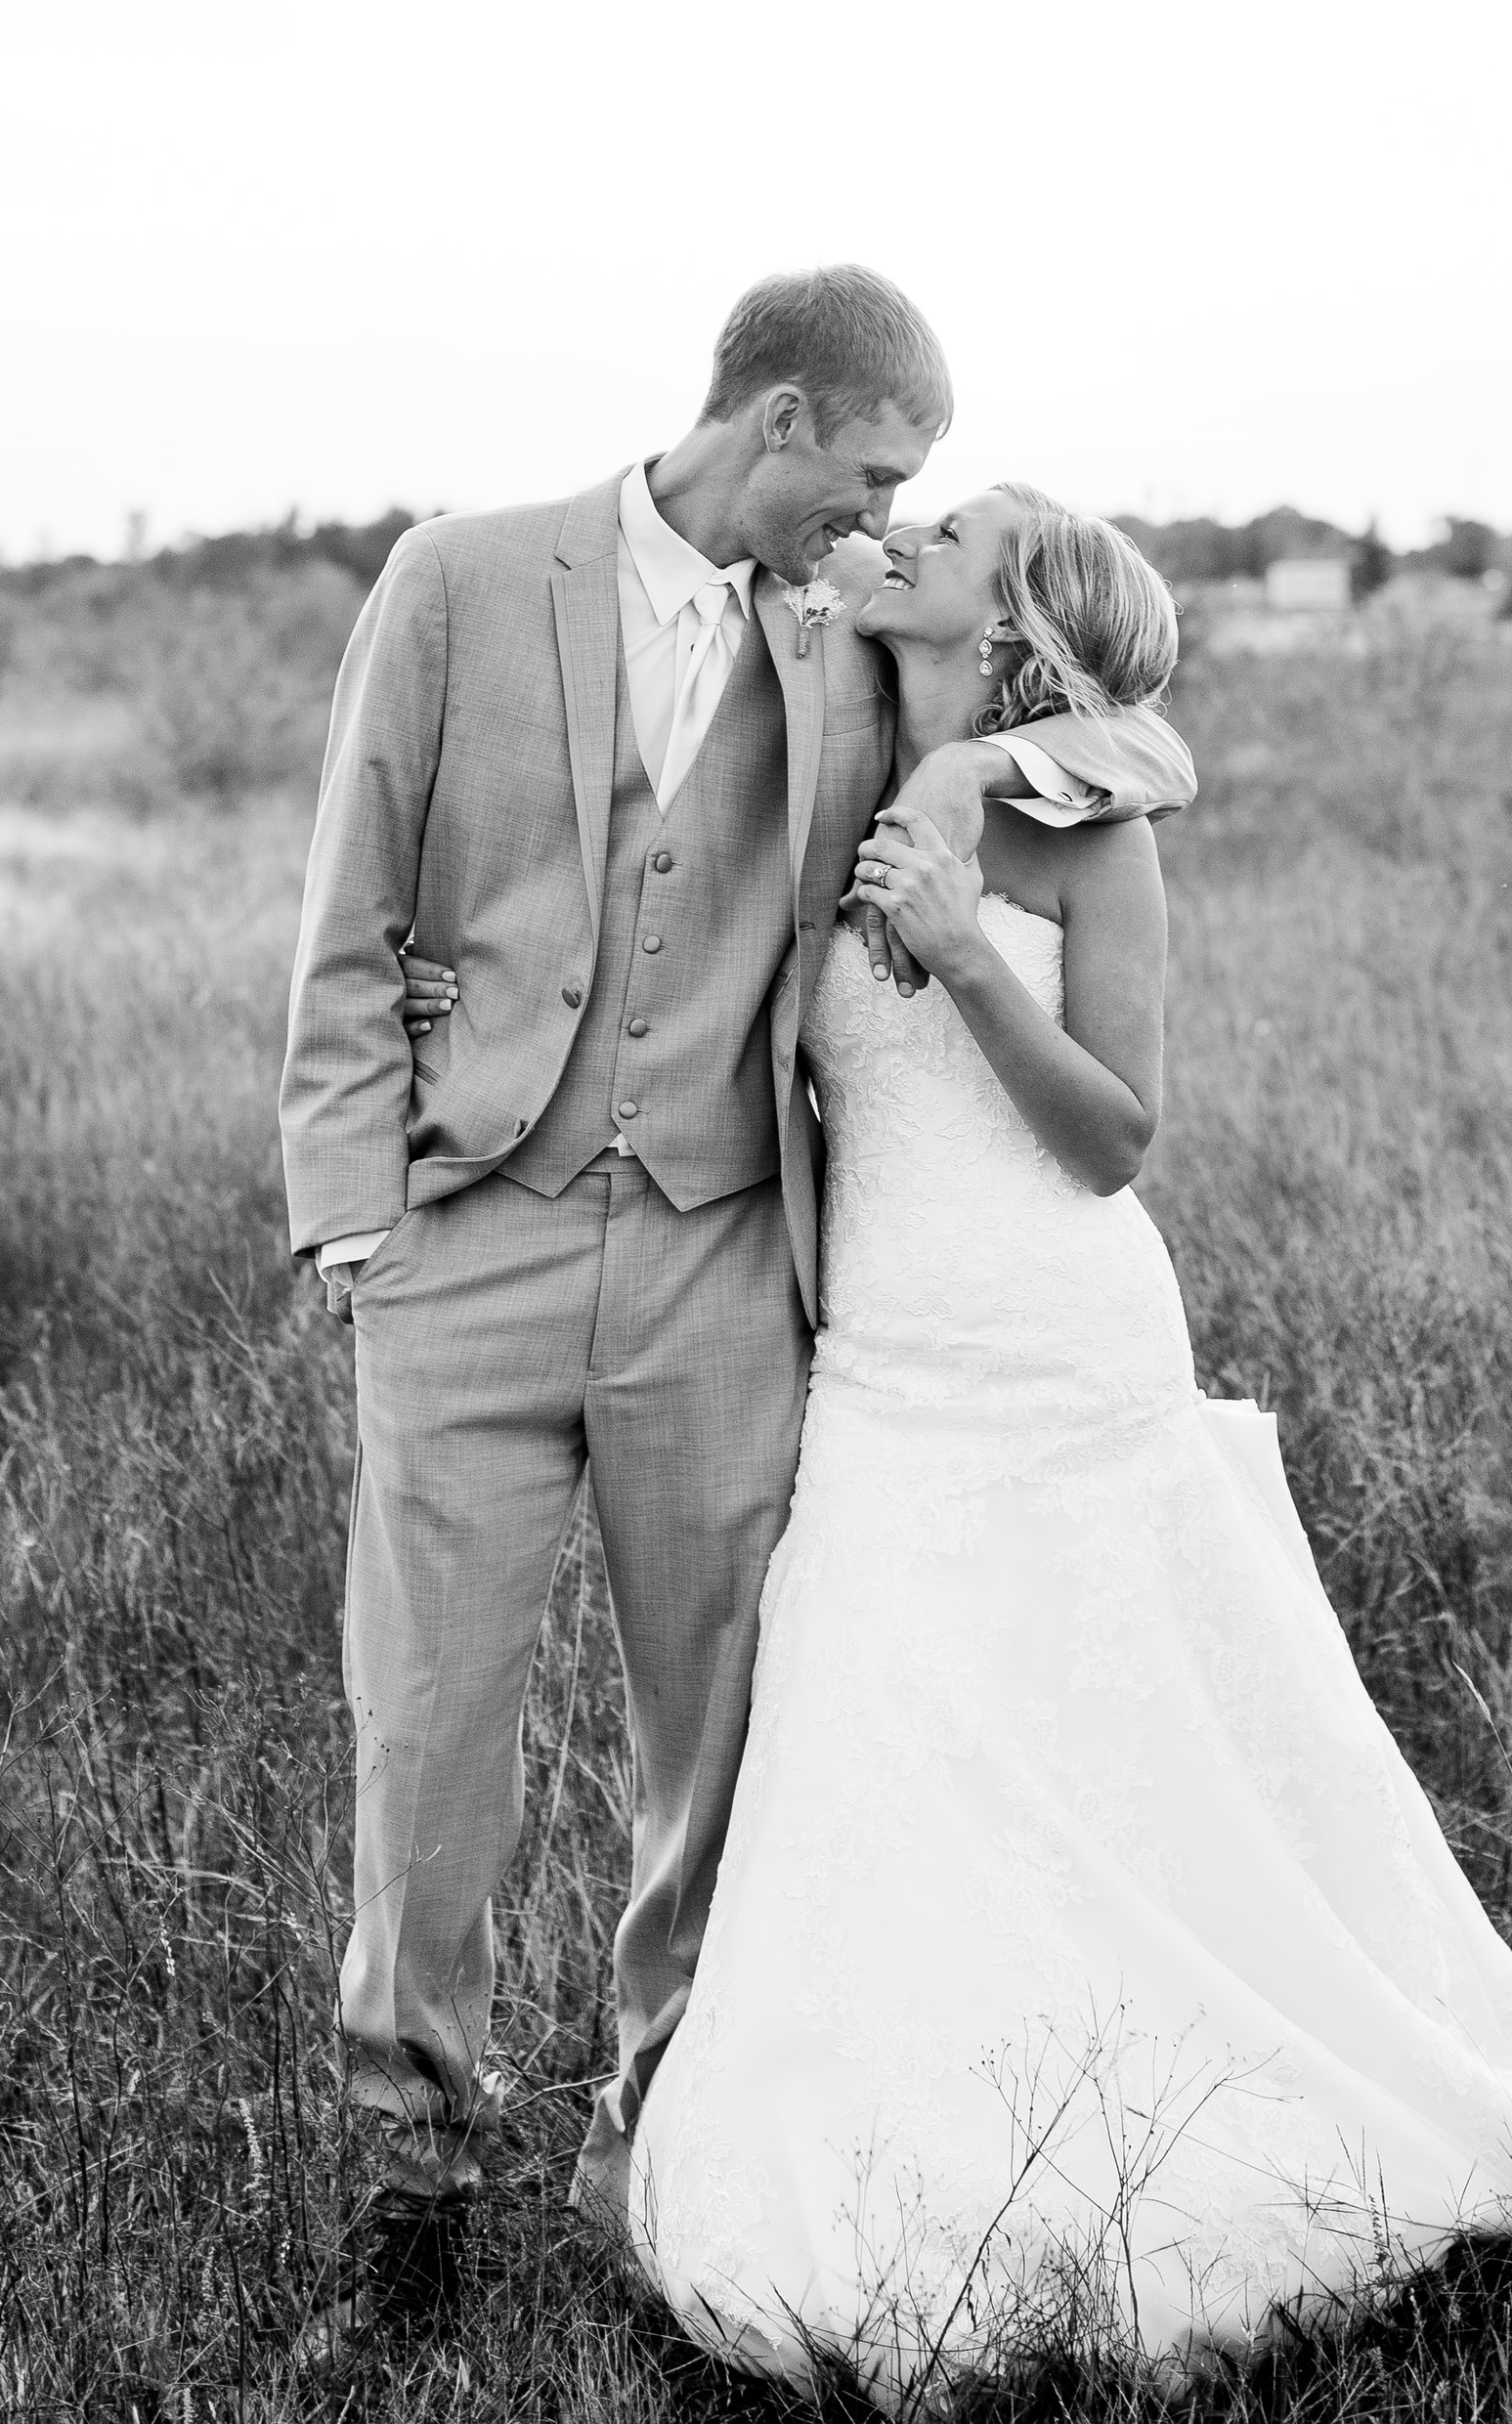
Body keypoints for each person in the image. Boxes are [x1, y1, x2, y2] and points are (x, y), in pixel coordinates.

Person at [626, 483, 1512, 2400]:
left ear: (1019, 619)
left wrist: (966, 948)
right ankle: (909, 2138)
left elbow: (1116, 1135)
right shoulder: (874, 762)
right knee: (888, 1748)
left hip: (1055, 1346)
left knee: (1111, 1759)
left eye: (949, 525)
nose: (911, 525)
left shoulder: (1089, 839)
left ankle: (1190, 2147)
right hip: (882, 1368)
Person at [277, 269, 1194, 2346]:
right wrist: (356, 1227)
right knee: (426, 1730)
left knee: (719, 1742)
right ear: (778, 417)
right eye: (874, 473)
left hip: (718, 1255)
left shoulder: (855, 638)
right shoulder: (459, 577)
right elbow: (351, 907)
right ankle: (410, 2174)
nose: (885, 519)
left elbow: (1128, 720)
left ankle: (657, 2136)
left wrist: (956, 797)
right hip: (464, 1245)